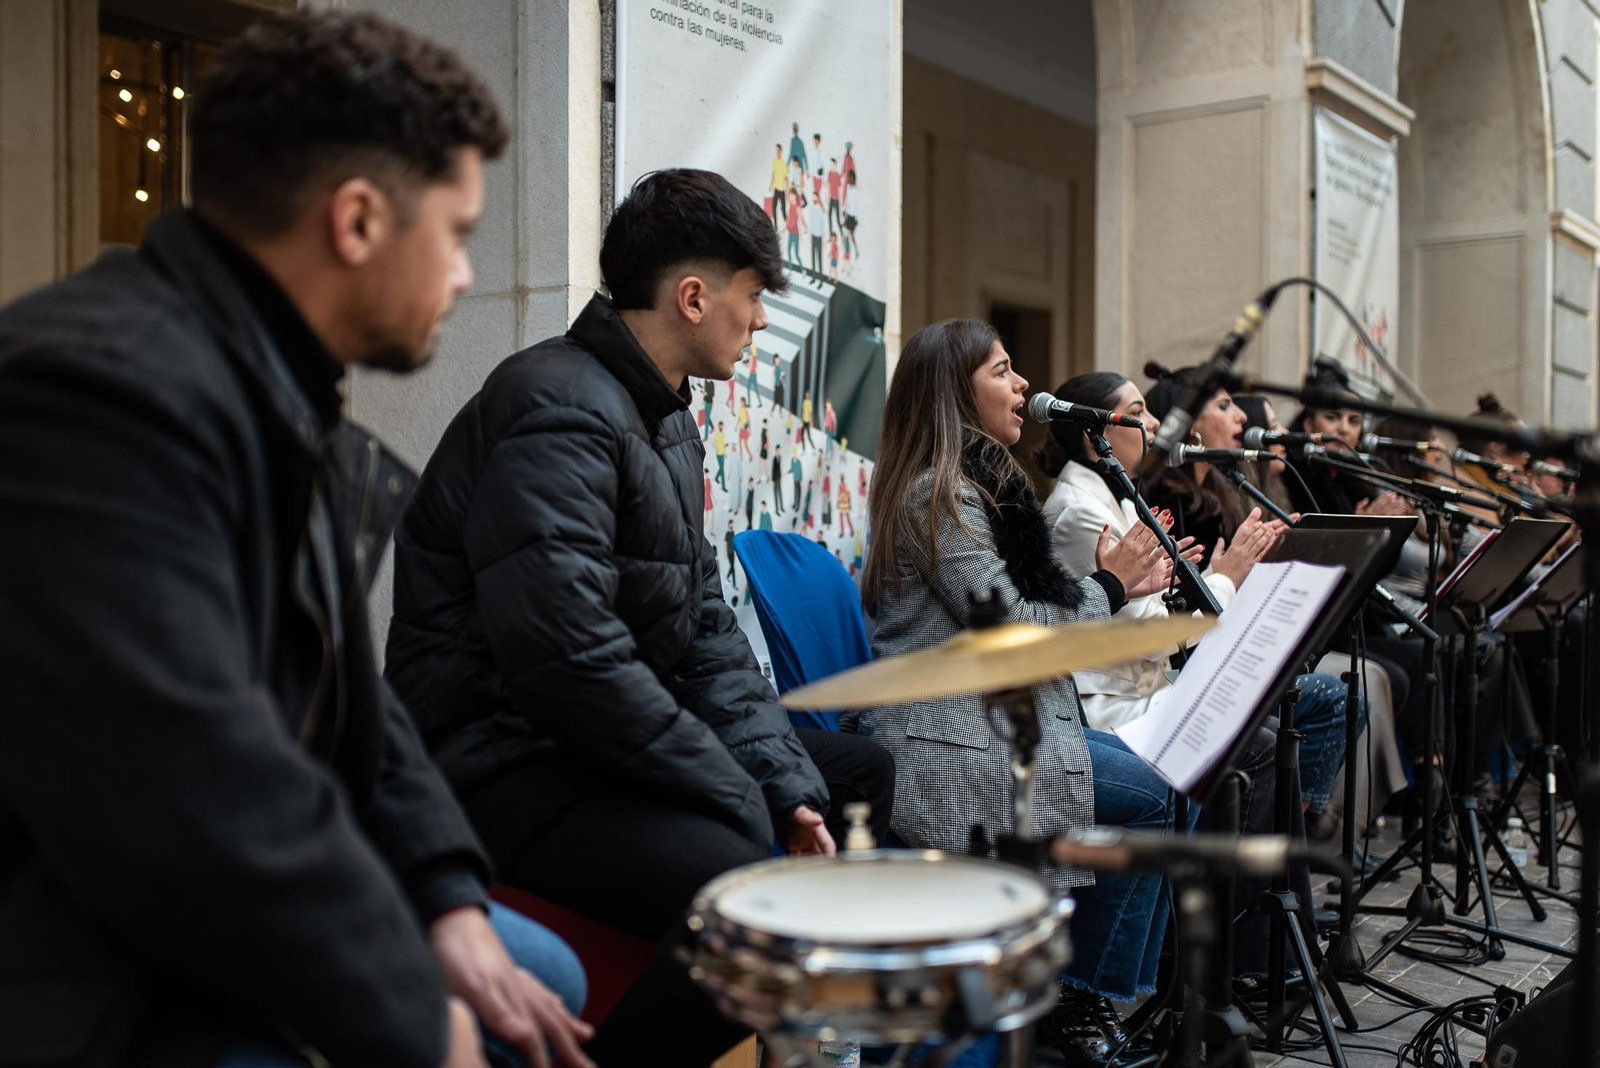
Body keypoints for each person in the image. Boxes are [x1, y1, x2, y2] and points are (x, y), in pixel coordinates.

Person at [0, 12, 594, 1068]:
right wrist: (413, 1016)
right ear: (358, 220)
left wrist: (444, 895)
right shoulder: (96, 390)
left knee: (537, 974)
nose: (463, 276)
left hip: (190, 880)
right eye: (455, 235)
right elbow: (187, 784)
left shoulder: (267, 381)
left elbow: (353, 705)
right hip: (80, 952)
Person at [386, 168, 895, 1067]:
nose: (760, 320)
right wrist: (734, 792)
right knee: (757, 908)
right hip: (503, 757)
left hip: (587, 739)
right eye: (751, 297)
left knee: (853, 774)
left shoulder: (663, 419)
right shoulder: (556, 407)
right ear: (692, 297)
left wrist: (777, 781)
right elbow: (566, 660)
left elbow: (701, 624)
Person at [848, 318, 1199, 1062]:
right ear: (954, 391)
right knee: (1161, 792)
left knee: (1171, 784)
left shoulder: (980, 489)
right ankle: (1080, 999)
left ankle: (1084, 995)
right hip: (949, 738)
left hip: (998, 717)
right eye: (1004, 371)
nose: (1024, 386)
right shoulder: (935, 495)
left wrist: (1107, 584)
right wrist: (1110, 583)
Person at [768, 141, 788, 227]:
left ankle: (788, 224)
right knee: (773, 207)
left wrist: (788, 190)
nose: (777, 152)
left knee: (783, 210)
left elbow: (786, 178)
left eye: (778, 150)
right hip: (776, 189)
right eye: (776, 150)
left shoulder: (783, 163)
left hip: (782, 189)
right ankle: (775, 225)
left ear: (781, 151)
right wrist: (770, 185)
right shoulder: (774, 161)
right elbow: (773, 174)